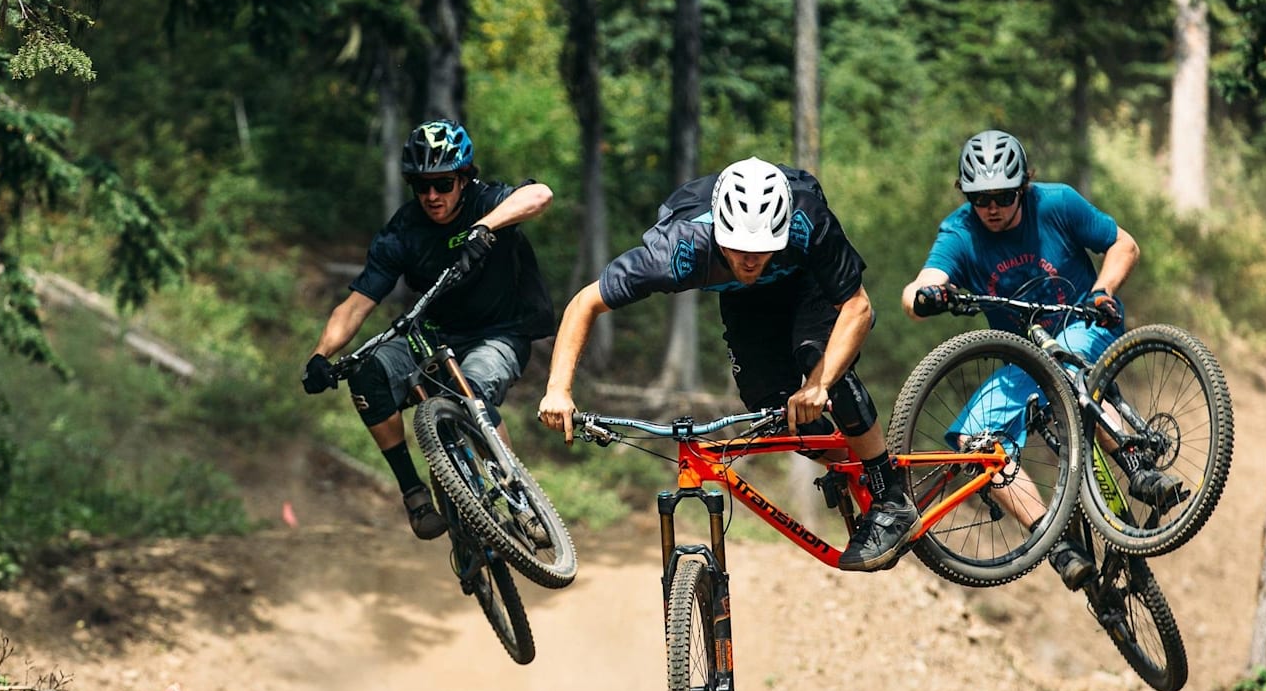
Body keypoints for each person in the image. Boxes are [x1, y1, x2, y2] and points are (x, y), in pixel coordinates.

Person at [538, 156, 920, 572]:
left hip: (806, 280)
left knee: (819, 362)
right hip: (744, 299)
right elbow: (585, 303)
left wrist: (818, 383)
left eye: (762, 248)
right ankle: (849, 466)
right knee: (772, 406)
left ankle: (890, 496)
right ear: (718, 232)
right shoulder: (678, 249)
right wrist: (558, 389)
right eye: (740, 248)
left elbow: (857, 308)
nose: (751, 259)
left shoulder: (807, 223)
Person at [900, 128, 1180, 591]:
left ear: (1022, 188)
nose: (991, 208)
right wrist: (926, 295)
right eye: (979, 199)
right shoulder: (959, 231)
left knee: (1064, 364)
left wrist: (1102, 290)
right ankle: (1055, 544)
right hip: (1025, 358)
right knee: (975, 439)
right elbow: (918, 289)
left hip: (1086, 326)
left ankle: (1141, 472)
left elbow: (1123, 245)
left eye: (1002, 197)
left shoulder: (1057, 204)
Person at [301, 119, 556, 540]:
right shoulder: (404, 231)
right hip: (433, 335)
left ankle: (518, 499)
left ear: (463, 178)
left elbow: (540, 194)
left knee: (470, 390)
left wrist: (486, 227)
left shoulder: (487, 201)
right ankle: (414, 494)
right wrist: (319, 356)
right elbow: (357, 303)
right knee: (367, 377)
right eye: (422, 186)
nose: (432, 196)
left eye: (442, 183)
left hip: (500, 333)